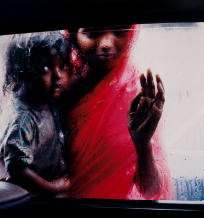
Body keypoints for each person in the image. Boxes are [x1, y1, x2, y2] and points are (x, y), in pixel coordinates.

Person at [63, 25, 171, 199]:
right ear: (73, 35)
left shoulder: (137, 95)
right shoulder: (54, 81)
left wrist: (143, 144)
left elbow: (151, 191)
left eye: (119, 32)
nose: (106, 43)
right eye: (92, 33)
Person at [0, 33, 72, 196]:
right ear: (23, 73)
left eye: (62, 66)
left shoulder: (46, 98)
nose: (58, 75)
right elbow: (17, 169)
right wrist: (53, 188)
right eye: (44, 68)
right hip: (32, 196)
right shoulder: (23, 118)